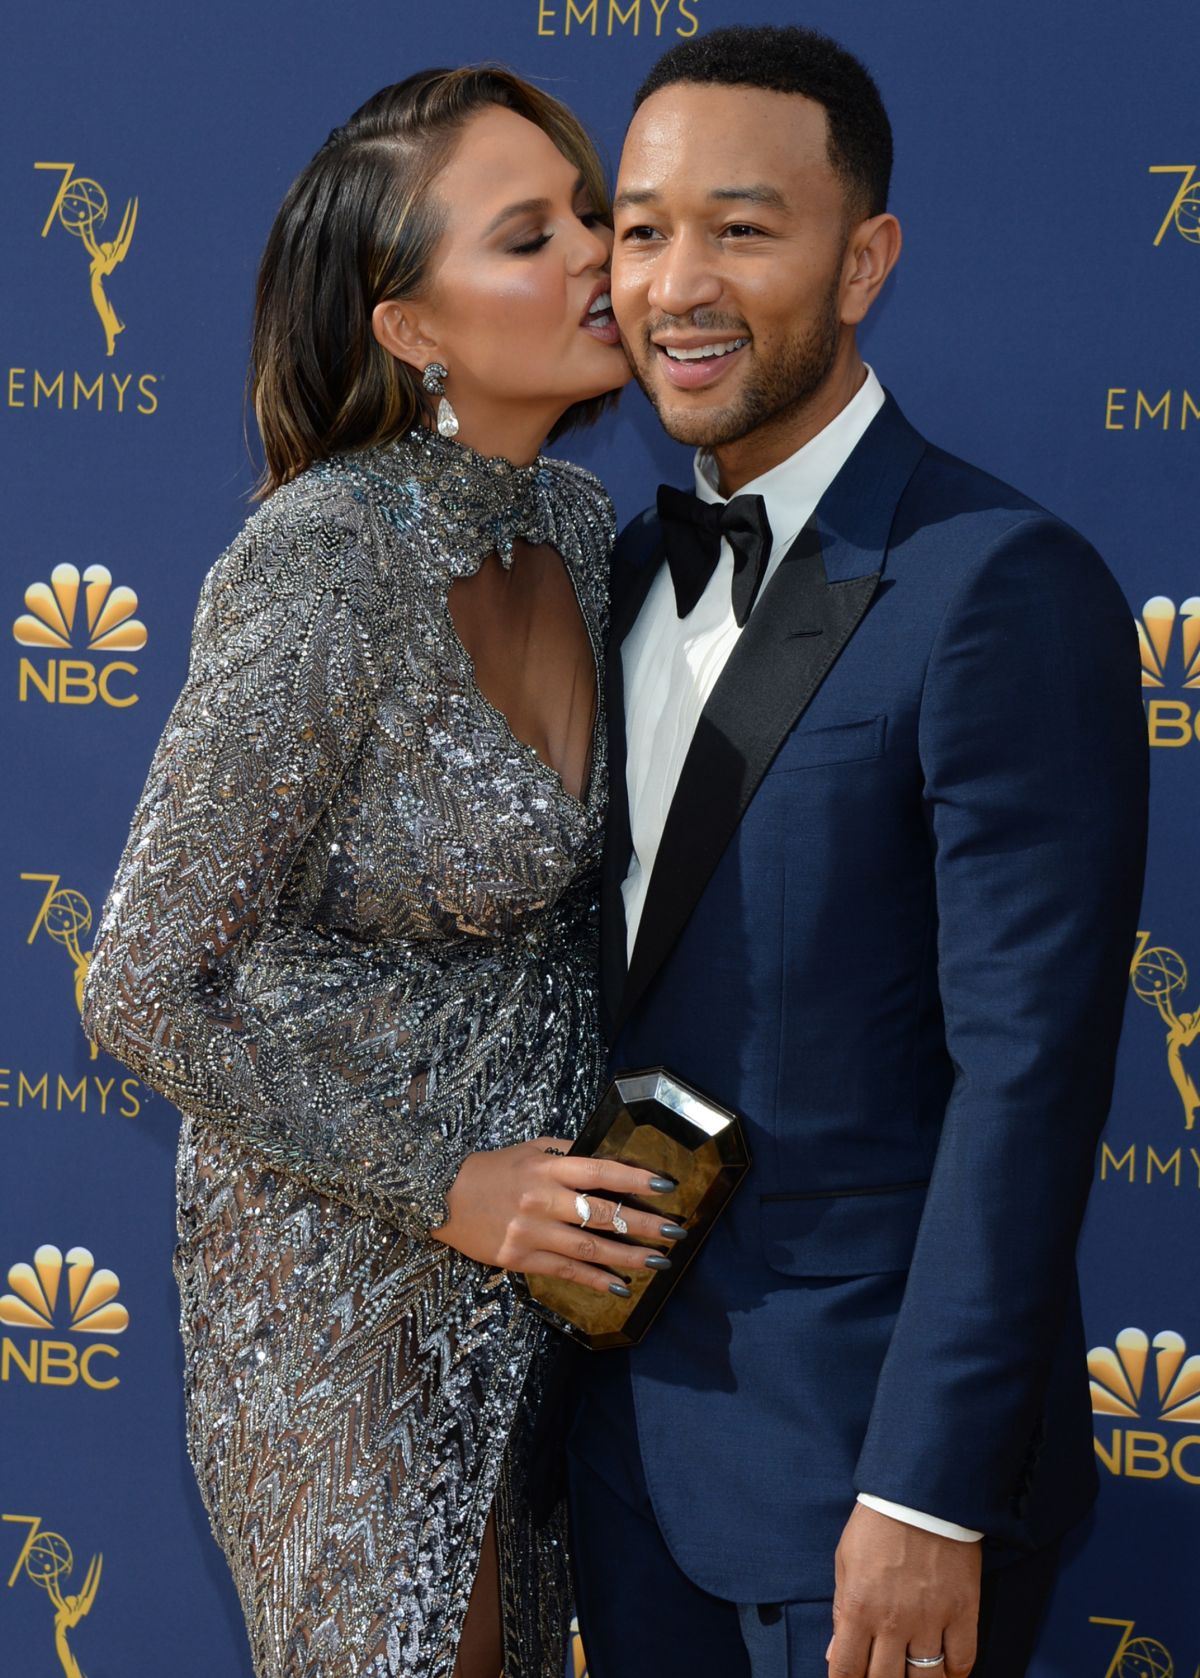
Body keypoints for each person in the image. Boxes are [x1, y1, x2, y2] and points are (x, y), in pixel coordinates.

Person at [564, 25, 1149, 1678]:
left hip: (859, 1496)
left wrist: (928, 1492)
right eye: (643, 224)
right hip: (623, 1459)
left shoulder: (995, 584)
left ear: (865, 259)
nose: (678, 281)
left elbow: (1027, 1074)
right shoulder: (610, 575)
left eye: (744, 230)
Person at [82, 67, 677, 1678]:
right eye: (527, 235)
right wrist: (445, 1187)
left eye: (590, 214)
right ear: (410, 326)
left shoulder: (574, 516)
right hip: (343, 1272)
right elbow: (135, 976)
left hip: (535, 1268)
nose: (598, 259)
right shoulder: (325, 552)